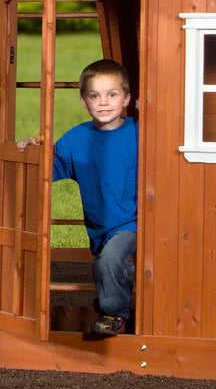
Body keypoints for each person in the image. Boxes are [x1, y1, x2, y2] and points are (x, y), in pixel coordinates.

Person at [17, 59, 138, 335]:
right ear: (84, 101)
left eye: (112, 94)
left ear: (126, 99)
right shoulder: (76, 138)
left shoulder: (138, 134)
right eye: (95, 96)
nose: (103, 102)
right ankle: (114, 289)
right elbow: (49, 169)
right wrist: (33, 149)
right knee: (107, 262)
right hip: (100, 227)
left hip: (133, 222)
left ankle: (115, 315)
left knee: (109, 260)